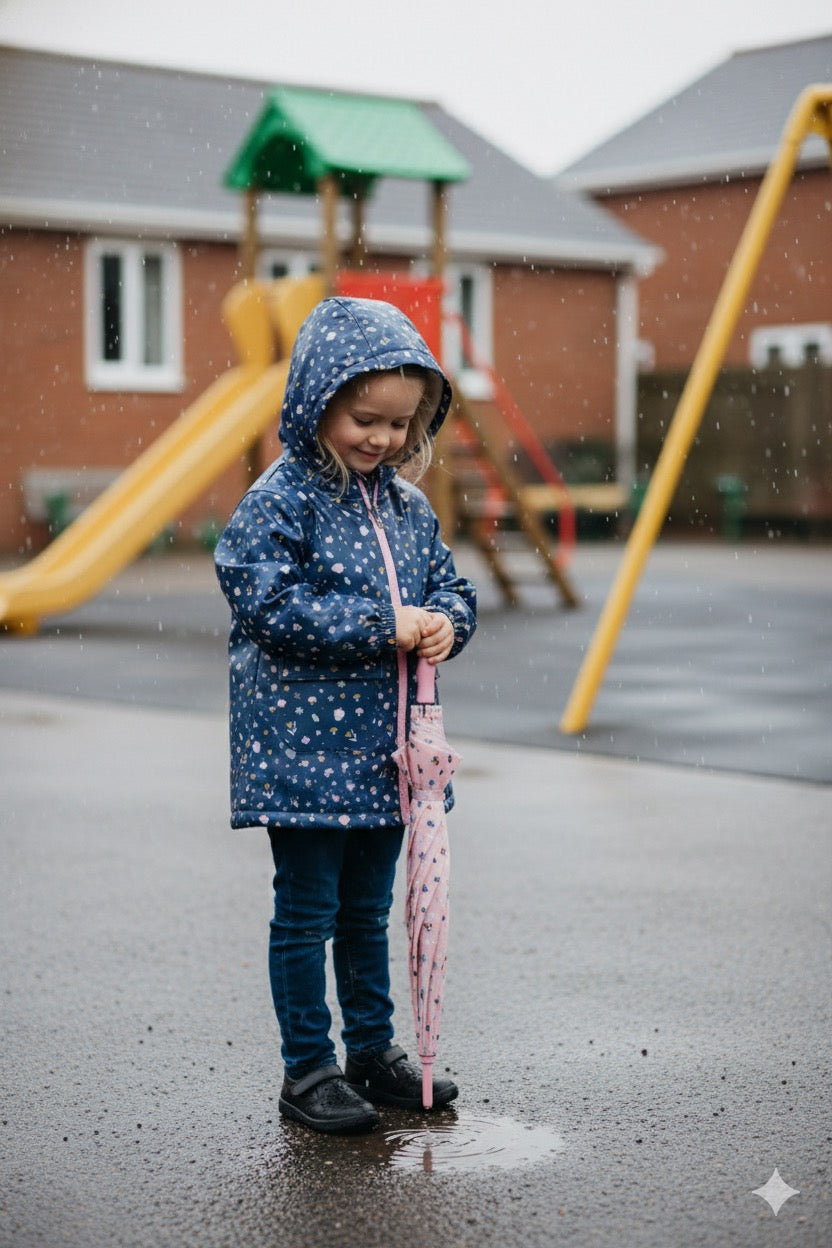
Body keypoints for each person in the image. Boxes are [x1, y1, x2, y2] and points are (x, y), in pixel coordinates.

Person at [214, 296, 477, 1135]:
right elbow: (265, 600)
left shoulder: (407, 507)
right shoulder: (281, 500)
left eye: (402, 426)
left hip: (387, 753)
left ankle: (372, 1049)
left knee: (368, 911)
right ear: (317, 400)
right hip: (301, 751)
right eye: (367, 419)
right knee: (307, 912)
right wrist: (378, 625)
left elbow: (449, 585)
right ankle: (309, 1068)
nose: (385, 441)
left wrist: (446, 622)